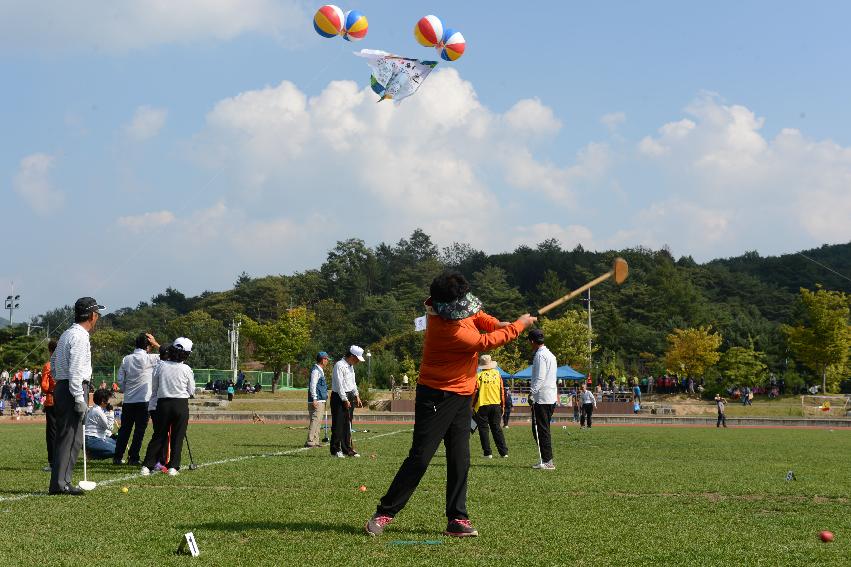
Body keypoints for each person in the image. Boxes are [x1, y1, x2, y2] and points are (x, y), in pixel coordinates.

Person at [366, 270, 536, 538]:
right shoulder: (450, 330)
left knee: (460, 458)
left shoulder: (446, 305)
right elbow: (485, 342)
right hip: (435, 395)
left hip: (462, 395)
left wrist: (496, 322)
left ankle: (457, 518)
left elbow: (478, 317)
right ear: (448, 308)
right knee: (421, 458)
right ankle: (384, 512)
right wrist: (519, 325)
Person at [49, 297, 104, 496]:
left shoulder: (66, 334)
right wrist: (79, 398)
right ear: (91, 315)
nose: (97, 318)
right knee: (71, 438)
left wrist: (60, 381)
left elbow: (54, 360)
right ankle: (61, 483)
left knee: (69, 437)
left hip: (64, 387)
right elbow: (75, 370)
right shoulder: (81, 337)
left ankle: (61, 481)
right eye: (97, 314)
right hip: (73, 388)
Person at [141, 338, 196, 476]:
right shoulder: (186, 369)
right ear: (186, 354)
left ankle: (147, 466)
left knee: (159, 436)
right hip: (180, 404)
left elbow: (155, 387)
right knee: (177, 437)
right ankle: (173, 467)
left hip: (163, 404)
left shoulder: (160, 366)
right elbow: (191, 391)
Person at [114, 333, 160, 466]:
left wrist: (126, 389)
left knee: (124, 430)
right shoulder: (151, 358)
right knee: (139, 431)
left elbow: (120, 380)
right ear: (147, 346)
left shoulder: (126, 359)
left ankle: (117, 457)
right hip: (144, 400)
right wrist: (156, 343)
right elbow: (169, 354)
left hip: (129, 400)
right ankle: (133, 458)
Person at [528, 329, 557, 470]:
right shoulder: (551, 354)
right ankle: (546, 459)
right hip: (550, 396)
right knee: (543, 429)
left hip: (542, 398)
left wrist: (531, 393)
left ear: (532, 341)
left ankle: (547, 461)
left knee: (541, 430)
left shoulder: (540, 356)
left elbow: (540, 377)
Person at [472, 354, 508, 459]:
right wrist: (503, 406)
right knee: (497, 429)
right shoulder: (497, 374)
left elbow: (475, 393)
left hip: (482, 405)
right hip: (496, 404)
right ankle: (503, 452)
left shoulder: (478, 376)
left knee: (483, 430)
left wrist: (472, 406)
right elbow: (502, 391)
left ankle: (488, 453)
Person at [330, 346, 364, 458]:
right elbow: (339, 385)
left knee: (347, 424)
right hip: (339, 397)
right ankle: (335, 450)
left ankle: (347, 449)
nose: (358, 361)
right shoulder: (339, 365)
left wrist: (356, 395)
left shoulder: (351, 366)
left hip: (349, 395)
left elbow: (353, 382)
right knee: (338, 424)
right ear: (351, 356)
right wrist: (344, 399)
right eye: (357, 359)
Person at [305, 352, 330, 448]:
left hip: (320, 400)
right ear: (322, 359)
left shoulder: (320, 370)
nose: (327, 361)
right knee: (315, 421)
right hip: (317, 400)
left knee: (318, 421)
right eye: (326, 359)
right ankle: (310, 441)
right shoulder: (316, 371)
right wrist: (315, 398)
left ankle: (316, 440)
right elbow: (313, 385)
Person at [41, 339, 58, 472]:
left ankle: (52, 463)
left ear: (49, 350)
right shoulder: (65, 364)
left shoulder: (48, 365)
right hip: (65, 401)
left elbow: (44, 385)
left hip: (52, 400)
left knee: (51, 433)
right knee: (63, 431)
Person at [85, 389, 117, 459]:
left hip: (96, 437)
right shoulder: (98, 412)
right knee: (117, 450)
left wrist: (111, 435)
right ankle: (92, 455)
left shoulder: (96, 409)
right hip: (91, 439)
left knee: (119, 443)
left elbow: (102, 427)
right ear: (103, 401)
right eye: (108, 399)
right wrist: (111, 412)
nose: (109, 402)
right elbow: (110, 427)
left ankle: (92, 452)